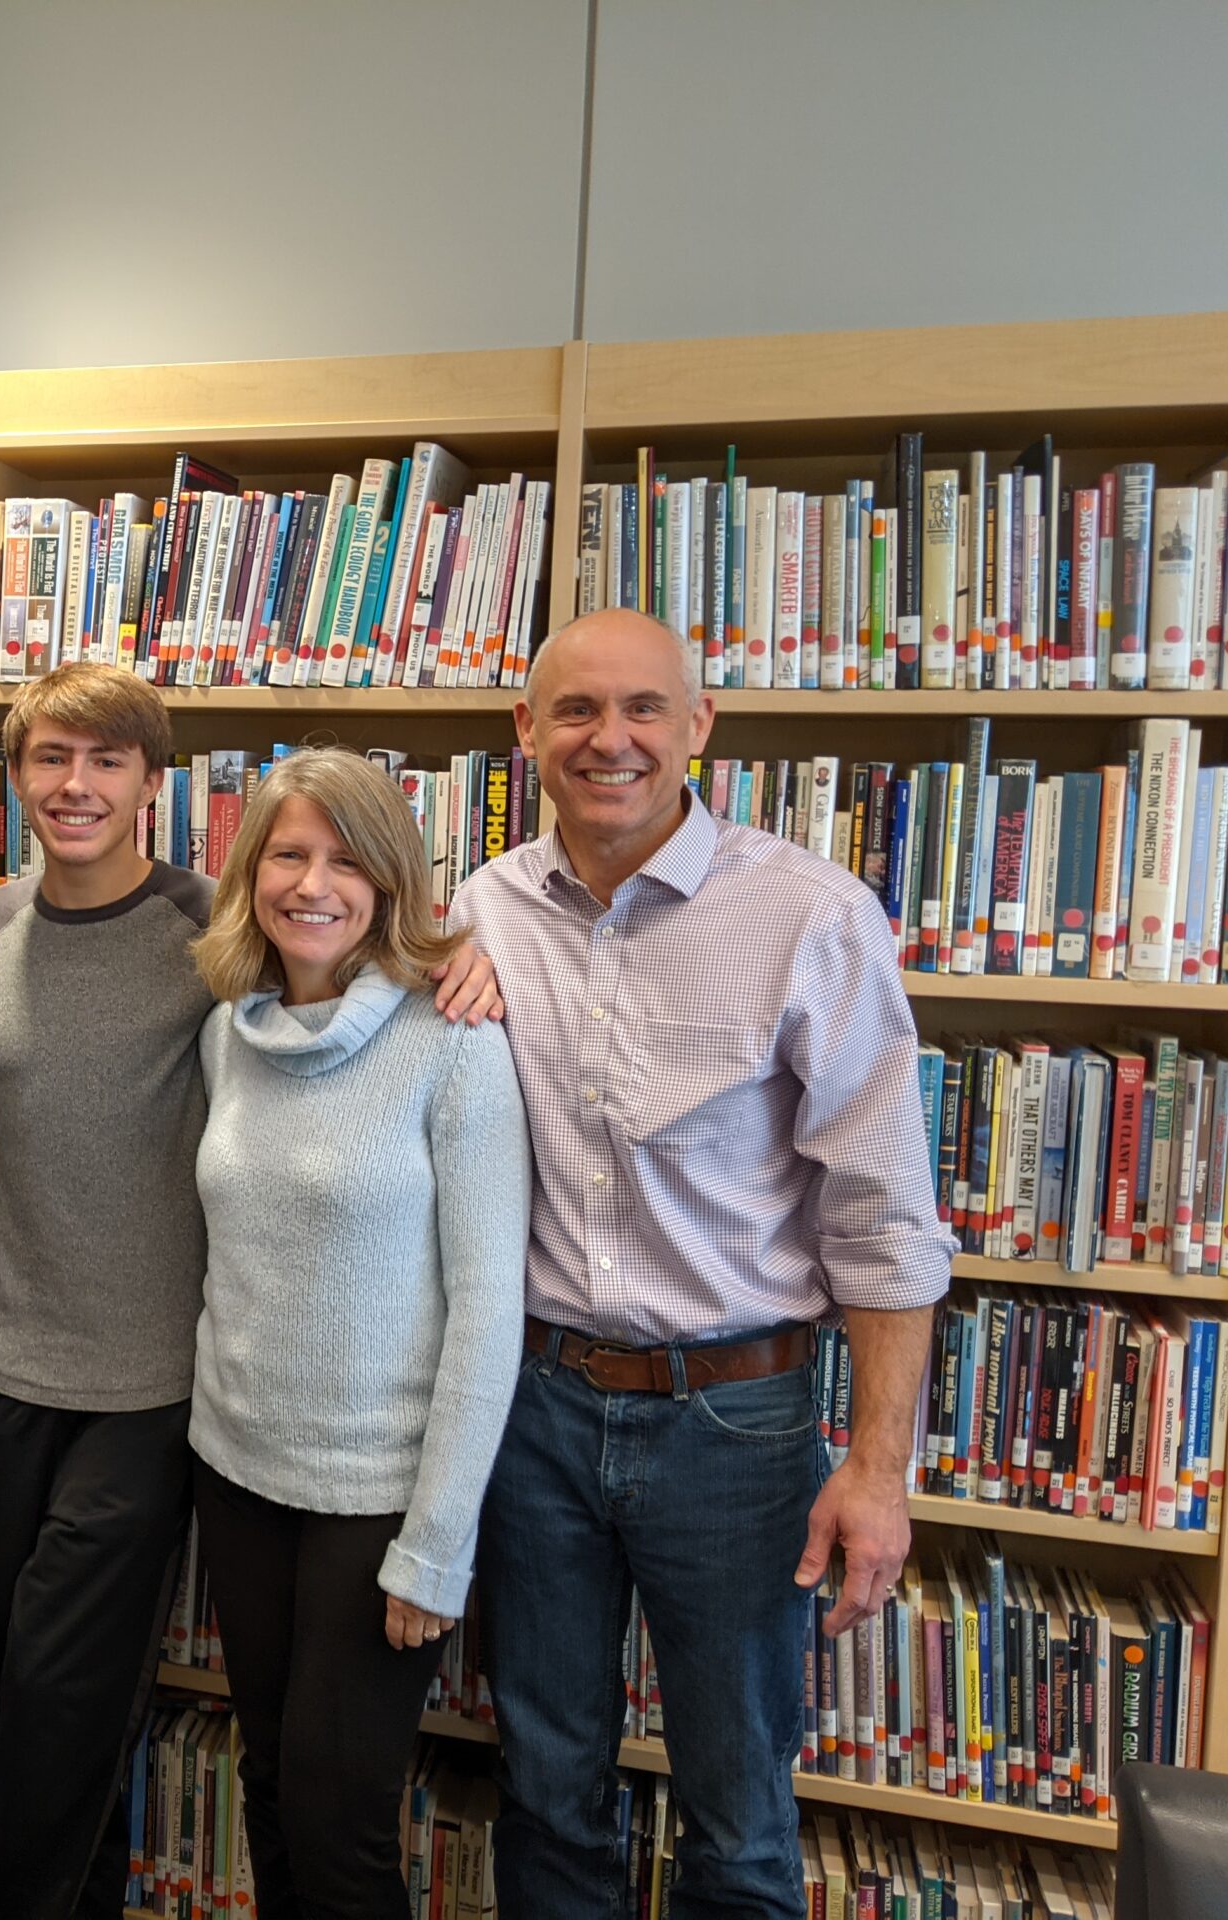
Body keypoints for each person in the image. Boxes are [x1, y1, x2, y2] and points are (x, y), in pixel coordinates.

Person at [0, 670, 505, 1920]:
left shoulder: (344, 1004)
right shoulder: (119, 979)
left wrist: (466, 959)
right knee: (83, 1706)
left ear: (152, 781)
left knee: (281, 1784)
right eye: (47, 759)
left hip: (233, 1426)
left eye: (107, 762)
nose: (74, 786)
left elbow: (484, 1310)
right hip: (139, 1418)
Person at [446, 609, 947, 1920]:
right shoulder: (483, 908)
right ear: (525, 732)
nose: (609, 740)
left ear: (700, 726)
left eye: (645, 710)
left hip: (734, 1424)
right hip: (536, 1413)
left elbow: (886, 1219)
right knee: (548, 1782)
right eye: (574, 712)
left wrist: (879, 1470)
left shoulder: (811, 919)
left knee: (738, 1807)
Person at [186, 746, 529, 1920]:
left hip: (374, 1499)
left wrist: (435, 1543)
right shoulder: (228, 1031)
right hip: (237, 1473)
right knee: (272, 1783)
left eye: (345, 860)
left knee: (340, 1827)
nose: (312, 884)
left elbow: (489, 1307)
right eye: (288, 853)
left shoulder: (453, 1043)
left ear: (390, 884)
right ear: (251, 872)